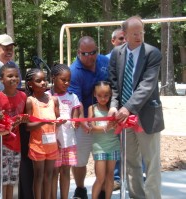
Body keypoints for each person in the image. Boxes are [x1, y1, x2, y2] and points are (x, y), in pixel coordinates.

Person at [108, 16, 164, 199]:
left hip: (146, 115)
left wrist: (128, 108)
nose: (139, 36)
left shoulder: (152, 53)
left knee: (152, 162)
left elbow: (147, 86)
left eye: (141, 32)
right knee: (131, 162)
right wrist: (114, 106)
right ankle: (136, 196)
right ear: (124, 34)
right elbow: (114, 84)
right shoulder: (117, 53)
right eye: (134, 33)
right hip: (124, 118)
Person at [68, 36, 109, 199]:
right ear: (78, 52)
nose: (91, 56)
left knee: (104, 157)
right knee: (80, 160)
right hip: (83, 121)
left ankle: (104, 190)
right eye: (86, 54)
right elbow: (76, 102)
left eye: (94, 52)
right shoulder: (74, 71)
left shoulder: (104, 61)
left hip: (105, 120)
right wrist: (84, 121)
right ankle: (80, 189)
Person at [0, 63, 28, 199]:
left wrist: (23, 120)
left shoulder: (23, 96)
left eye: (16, 76)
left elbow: (25, 118)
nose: (14, 79)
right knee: (2, 181)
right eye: (9, 76)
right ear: (1, 79)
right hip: (0, 146)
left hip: (16, 145)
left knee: (12, 180)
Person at [25, 68, 61, 199]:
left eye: (44, 80)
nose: (43, 83)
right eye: (38, 81)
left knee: (49, 174)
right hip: (38, 145)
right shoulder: (30, 101)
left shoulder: (54, 100)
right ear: (30, 84)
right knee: (39, 175)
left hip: (52, 144)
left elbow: (57, 121)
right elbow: (28, 126)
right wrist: (42, 122)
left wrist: (60, 122)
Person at [48, 64, 81, 199]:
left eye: (69, 80)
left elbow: (76, 117)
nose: (67, 83)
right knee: (53, 172)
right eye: (63, 80)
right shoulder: (46, 96)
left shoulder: (73, 97)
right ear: (53, 78)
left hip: (69, 141)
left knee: (66, 171)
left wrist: (76, 121)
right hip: (52, 141)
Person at [88, 81, 120, 199]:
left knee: (110, 175)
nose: (103, 98)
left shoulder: (113, 109)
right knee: (100, 178)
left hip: (114, 145)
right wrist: (107, 128)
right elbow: (92, 127)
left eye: (106, 95)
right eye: (99, 95)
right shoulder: (92, 108)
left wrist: (116, 126)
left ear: (111, 94)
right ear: (94, 94)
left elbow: (118, 126)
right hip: (99, 147)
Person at [105, 28, 126, 191]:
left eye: (125, 38)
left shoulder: (135, 56)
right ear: (113, 41)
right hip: (113, 109)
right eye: (120, 39)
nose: (123, 41)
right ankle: (117, 177)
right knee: (115, 144)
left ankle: (138, 175)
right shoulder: (105, 60)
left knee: (135, 145)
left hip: (132, 110)